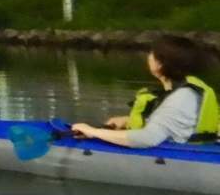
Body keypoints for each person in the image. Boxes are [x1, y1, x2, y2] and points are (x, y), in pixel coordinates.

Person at [72, 35, 218, 147]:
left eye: (151, 54)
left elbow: (146, 139)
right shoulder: (185, 91)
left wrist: (93, 132)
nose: (148, 57)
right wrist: (128, 121)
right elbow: (174, 122)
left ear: (161, 63)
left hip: (180, 157)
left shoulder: (181, 98)